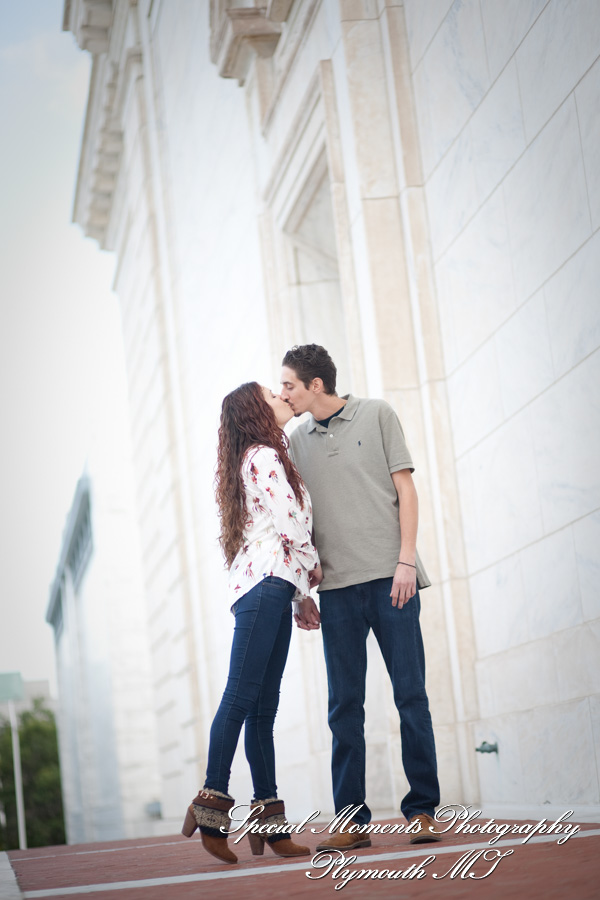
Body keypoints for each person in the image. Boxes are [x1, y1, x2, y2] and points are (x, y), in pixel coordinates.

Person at [280, 344, 441, 848]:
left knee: (410, 695)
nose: (283, 394)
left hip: (393, 580)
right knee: (343, 706)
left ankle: (422, 811)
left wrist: (406, 562)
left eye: (288, 385)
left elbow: (406, 491)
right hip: (337, 592)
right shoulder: (294, 441)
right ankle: (351, 822)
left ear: (316, 386)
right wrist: (302, 590)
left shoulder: (377, 414)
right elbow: (295, 520)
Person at [181, 382, 322, 864]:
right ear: (256, 411)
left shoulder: (262, 456)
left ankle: (269, 820)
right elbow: (290, 524)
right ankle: (211, 804)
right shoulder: (262, 455)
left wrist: (301, 592)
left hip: (273, 588)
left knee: (262, 711)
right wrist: (313, 564)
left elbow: (275, 534)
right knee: (240, 697)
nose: (282, 395)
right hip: (264, 589)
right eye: (271, 392)